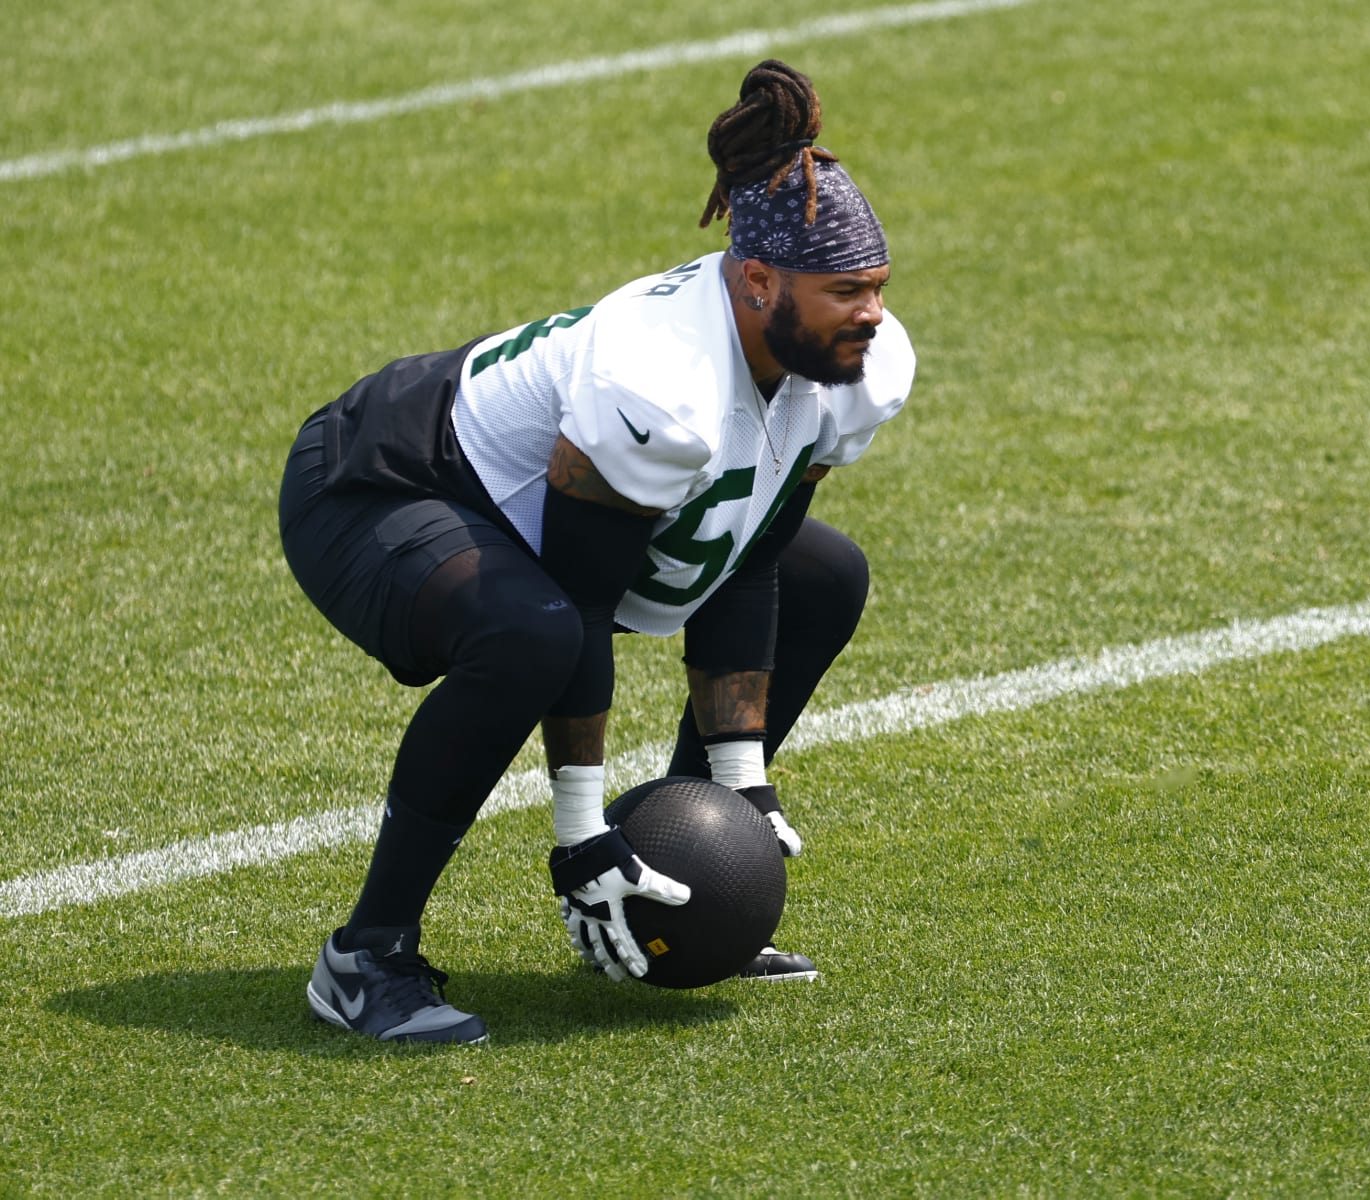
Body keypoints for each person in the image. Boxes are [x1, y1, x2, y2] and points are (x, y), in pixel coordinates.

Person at [277, 59, 914, 1044]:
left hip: (536, 514)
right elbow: (574, 603)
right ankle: (365, 959)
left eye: (876, 288)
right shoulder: (660, 382)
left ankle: (683, 878)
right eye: (845, 292)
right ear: (756, 280)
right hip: (379, 481)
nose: (871, 315)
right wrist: (580, 832)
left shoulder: (856, 367)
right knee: (529, 633)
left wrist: (740, 788)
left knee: (826, 576)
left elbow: (751, 553)